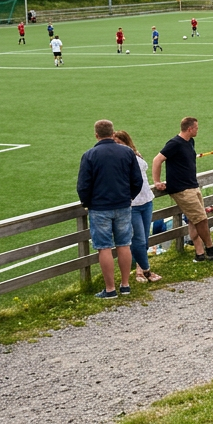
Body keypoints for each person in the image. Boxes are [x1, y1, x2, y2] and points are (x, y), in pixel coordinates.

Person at [77, 120, 143, 298]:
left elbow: (83, 185)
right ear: (112, 133)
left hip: (99, 207)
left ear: (96, 134)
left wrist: (87, 202)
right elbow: (137, 180)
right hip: (123, 204)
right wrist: (129, 197)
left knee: (104, 247)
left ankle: (110, 289)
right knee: (124, 245)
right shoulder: (127, 153)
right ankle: (125, 284)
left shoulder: (90, 155)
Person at [151, 116, 213, 261]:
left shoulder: (190, 142)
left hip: (193, 185)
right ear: (190, 128)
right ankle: (210, 247)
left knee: (194, 220)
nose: (198, 130)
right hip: (182, 189)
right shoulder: (174, 143)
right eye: (196, 128)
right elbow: (157, 160)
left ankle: (199, 253)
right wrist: (156, 181)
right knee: (201, 219)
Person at [112, 130, 160, 282]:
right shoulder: (116, 160)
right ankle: (145, 272)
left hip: (146, 200)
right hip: (132, 204)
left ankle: (140, 268)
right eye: (115, 144)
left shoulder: (135, 154)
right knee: (138, 239)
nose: (118, 146)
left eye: (120, 143)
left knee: (144, 238)